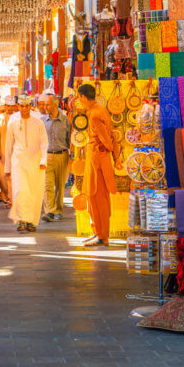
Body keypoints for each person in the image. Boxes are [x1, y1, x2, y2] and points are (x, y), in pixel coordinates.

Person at [77, 83, 118, 246]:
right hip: (97, 158)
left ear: (82, 97)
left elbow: (107, 141)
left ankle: (102, 236)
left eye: (79, 98)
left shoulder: (94, 114)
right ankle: (98, 233)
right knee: (94, 197)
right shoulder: (99, 110)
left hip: (98, 161)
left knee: (98, 198)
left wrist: (101, 148)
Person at [5, 95, 49, 233]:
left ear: (30, 106)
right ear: (18, 106)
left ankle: (31, 221)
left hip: (35, 162)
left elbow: (44, 143)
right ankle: (22, 220)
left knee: (34, 192)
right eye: (21, 106)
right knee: (20, 190)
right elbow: (8, 146)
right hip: (18, 161)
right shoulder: (13, 123)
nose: (24, 109)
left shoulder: (38, 123)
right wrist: (7, 167)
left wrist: (43, 161)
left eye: (26, 106)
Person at [41, 94, 71, 222]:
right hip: (47, 156)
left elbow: (70, 139)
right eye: (44, 104)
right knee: (48, 185)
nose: (45, 107)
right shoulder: (42, 121)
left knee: (60, 185)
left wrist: (73, 156)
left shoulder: (65, 120)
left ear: (55, 105)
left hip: (62, 155)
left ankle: (58, 209)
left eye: (47, 104)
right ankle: (49, 211)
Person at [0, 95, 16, 206]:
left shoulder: (18, 118)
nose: (10, 108)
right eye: (8, 106)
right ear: (5, 106)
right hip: (3, 153)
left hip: (16, 152)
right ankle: (6, 195)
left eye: (12, 106)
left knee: (13, 177)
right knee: (1, 177)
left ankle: (12, 200)